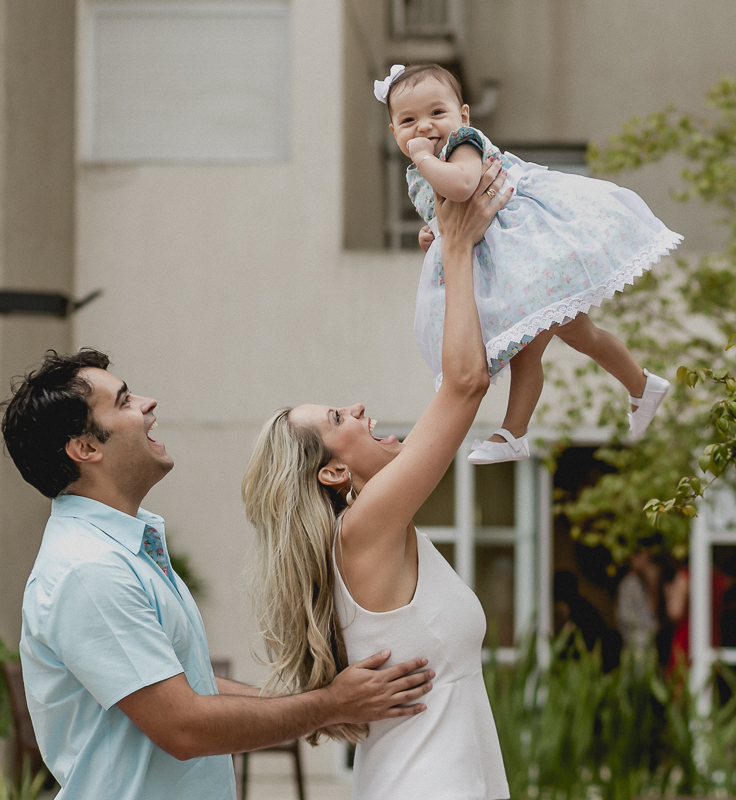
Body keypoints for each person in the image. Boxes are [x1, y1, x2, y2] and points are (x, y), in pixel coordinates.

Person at [2, 351, 437, 799]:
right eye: (125, 401)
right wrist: (328, 706)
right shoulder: (88, 570)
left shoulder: (120, 550)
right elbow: (183, 727)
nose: (149, 403)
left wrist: (329, 703)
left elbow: (190, 688)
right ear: (87, 448)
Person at [242, 160, 512, 799]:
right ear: (333, 471)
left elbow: (461, 371)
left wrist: (448, 263)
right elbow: (466, 384)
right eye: (338, 418)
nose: (359, 408)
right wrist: (456, 244)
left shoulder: (371, 535)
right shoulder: (365, 529)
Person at [375, 63, 683, 464]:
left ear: (463, 116)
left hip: (530, 247)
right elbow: (449, 215)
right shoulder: (424, 169)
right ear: (393, 131)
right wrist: (432, 234)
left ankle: (514, 433)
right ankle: (641, 385)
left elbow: (464, 185)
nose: (424, 128)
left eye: (437, 113)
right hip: (508, 259)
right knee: (580, 334)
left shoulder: (461, 145)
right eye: (408, 121)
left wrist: (423, 157)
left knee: (528, 350)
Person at [615, 545, 661, 657]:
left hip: (648, 643)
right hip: (636, 643)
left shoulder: (645, 582)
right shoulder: (628, 584)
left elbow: (653, 611)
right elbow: (623, 616)